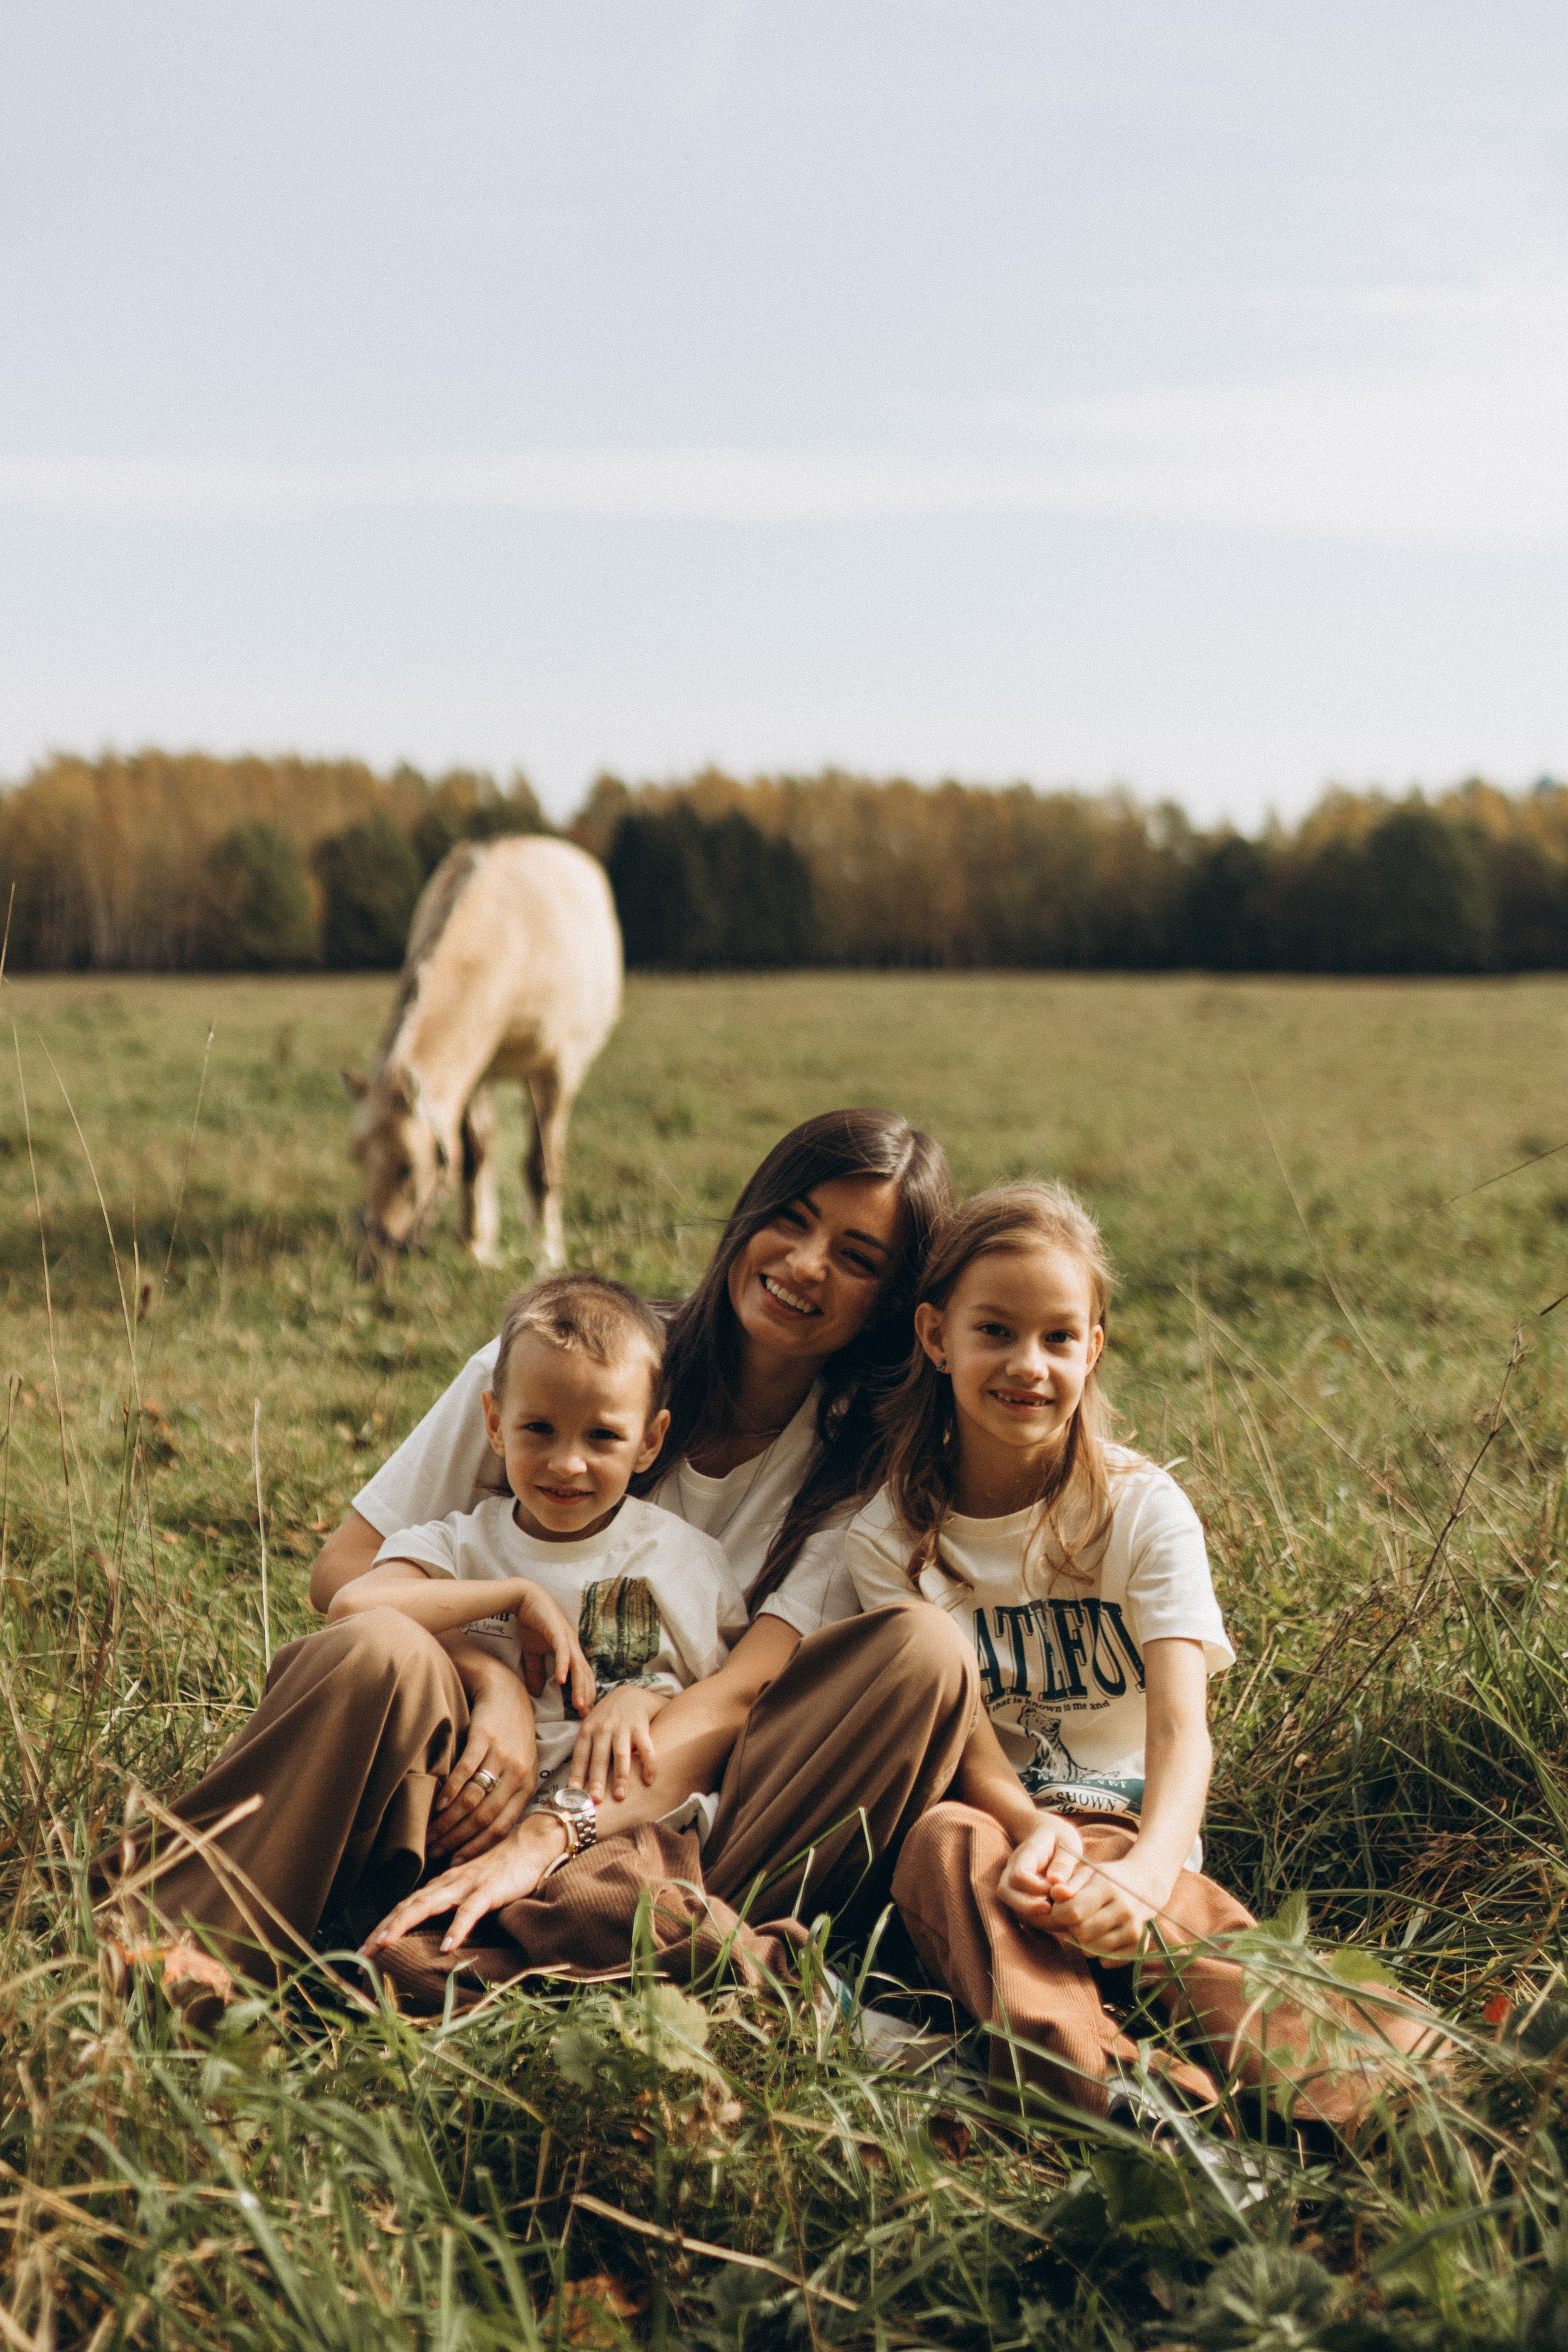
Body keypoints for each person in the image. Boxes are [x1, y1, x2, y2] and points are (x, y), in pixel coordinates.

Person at [123, 1109, 976, 1975]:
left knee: (920, 1654)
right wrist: (490, 1676)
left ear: (893, 1304)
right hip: (468, 1770)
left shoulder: (857, 1472)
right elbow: (344, 1572)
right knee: (378, 1644)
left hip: (661, 1808)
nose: (804, 1264)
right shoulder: (562, 1357)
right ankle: (173, 1948)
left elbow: (740, 1696)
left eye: (857, 1257)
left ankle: (527, 1942)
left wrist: (554, 1827)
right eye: (791, 1219)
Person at [846, 1182, 1434, 2126]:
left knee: (1196, 1935)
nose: (1027, 1365)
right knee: (939, 1841)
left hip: (1130, 1829)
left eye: (1059, 1338)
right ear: (934, 1336)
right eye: (994, 1331)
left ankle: (1391, 2098)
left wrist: (1147, 1875)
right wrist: (1031, 1829)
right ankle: (1131, 2098)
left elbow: (1181, 1728)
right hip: (996, 1832)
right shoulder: (889, 1537)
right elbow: (962, 1743)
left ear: (1095, 1346)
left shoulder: (1141, 1508)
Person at [330, 1273, 750, 1828]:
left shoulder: (685, 1561)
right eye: (539, 1429)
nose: (567, 1463)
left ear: (650, 1440)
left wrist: (647, 1702)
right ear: (495, 1425)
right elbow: (352, 1608)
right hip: (454, 1813)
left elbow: (722, 1710)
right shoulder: (457, 1545)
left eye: (602, 1436)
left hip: (600, 1831)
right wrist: (514, 1596)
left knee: (634, 1895)